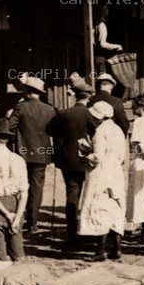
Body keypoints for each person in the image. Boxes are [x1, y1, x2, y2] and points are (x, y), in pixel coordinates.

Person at [48, 79, 96, 249]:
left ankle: (72, 233)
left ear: (75, 95)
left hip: (67, 160)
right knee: (90, 193)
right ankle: (89, 230)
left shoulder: (63, 113)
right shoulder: (91, 114)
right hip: (87, 159)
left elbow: (50, 130)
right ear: (88, 97)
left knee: (72, 194)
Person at [77, 101, 128, 261]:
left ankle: (100, 250)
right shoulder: (117, 129)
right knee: (115, 207)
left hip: (102, 172)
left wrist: (85, 155)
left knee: (99, 208)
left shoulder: (100, 132)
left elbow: (98, 157)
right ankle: (117, 247)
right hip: (115, 171)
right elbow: (120, 153)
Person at [10, 75, 57, 233]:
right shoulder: (50, 109)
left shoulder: (20, 107)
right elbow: (55, 132)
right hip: (42, 155)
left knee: (20, 186)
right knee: (36, 188)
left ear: (28, 91)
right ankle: (33, 223)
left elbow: (10, 127)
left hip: (21, 154)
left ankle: (18, 219)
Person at [0, 120, 28, 261]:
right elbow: (24, 193)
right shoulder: (18, 159)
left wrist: (7, 214)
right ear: (8, 139)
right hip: (14, 205)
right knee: (18, 255)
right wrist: (17, 217)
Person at [123, 95, 144, 239]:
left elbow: (137, 144)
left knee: (138, 196)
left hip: (141, 160)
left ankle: (141, 230)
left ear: (141, 108)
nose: (131, 109)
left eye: (134, 106)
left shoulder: (139, 122)